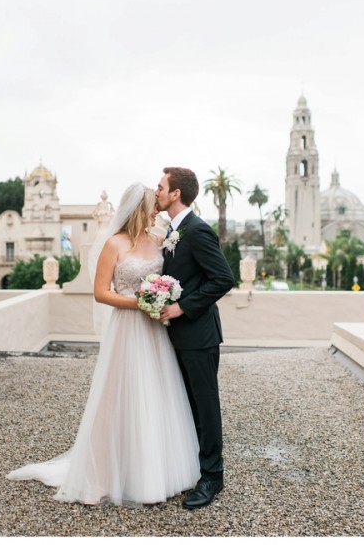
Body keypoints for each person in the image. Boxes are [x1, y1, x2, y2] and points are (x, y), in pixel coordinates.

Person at [7, 183, 200, 505]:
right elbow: (102, 293)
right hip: (128, 326)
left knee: (157, 391)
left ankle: (157, 469)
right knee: (121, 395)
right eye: (153, 205)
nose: (157, 210)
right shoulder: (114, 244)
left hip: (155, 329)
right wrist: (140, 303)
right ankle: (105, 472)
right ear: (138, 208)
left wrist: (162, 297)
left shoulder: (158, 240)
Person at [155, 167, 235, 509]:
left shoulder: (197, 230)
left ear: (175, 194)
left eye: (160, 187)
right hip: (178, 336)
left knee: (205, 406)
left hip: (199, 335)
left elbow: (223, 279)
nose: (156, 191)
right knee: (186, 404)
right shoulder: (173, 230)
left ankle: (212, 478)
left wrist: (181, 308)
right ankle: (193, 467)